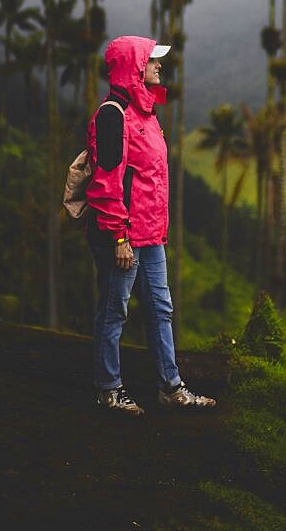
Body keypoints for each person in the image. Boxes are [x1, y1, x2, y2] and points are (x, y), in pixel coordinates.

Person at [85, 34, 216, 415]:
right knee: (115, 311)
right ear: (134, 66)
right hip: (121, 235)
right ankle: (109, 389)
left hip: (150, 235)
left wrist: (151, 233)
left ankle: (170, 387)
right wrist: (119, 237)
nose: (159, 66)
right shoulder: (113, 115)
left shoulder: (145, 114)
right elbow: (108, 182)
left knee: (161, 309)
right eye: (152, 60)